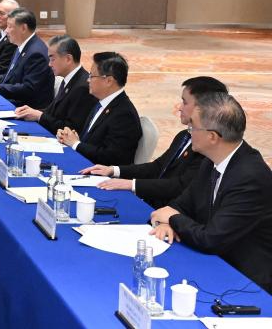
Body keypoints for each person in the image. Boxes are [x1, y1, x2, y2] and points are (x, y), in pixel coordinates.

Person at [150, 93, 272, 294]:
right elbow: (181, 204)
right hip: (215, 261)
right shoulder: (211, 161)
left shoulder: (250, 178)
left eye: (193, 128)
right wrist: (166, 221)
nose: (189, 132)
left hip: (247, 282)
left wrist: (172, 218)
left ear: (212, 137)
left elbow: (211, 239)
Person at [84, 77, 226, 208]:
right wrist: (114, 170)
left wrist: (131, 184)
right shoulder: (184, 136)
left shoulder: (207, 147)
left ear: (203, 108)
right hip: (152, 201)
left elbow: (179, 186)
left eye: (185, 102)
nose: (180, 107)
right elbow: (158, 167)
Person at [55, 52, 141, 166]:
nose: (88, 80)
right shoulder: (100, 103)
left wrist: (76, 144)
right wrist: (70, 137)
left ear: (109, 81)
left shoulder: (124, 114)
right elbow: (92, 140)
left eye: (92, 76)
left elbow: (111, 157)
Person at [0, 8, 53, 109]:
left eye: (10, 27)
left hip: (25, 108)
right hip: (14, 100)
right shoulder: (21, 46)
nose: (6, 30)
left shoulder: (36, 53)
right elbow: (11, 76)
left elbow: (29, 89)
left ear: (23, 28)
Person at [15, 35, 95, 135]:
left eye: (52, 59)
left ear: (68, 59)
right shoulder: (68, 79)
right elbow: (54, 112)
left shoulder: (83, 87)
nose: (49, 64)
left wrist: (39, 116)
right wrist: (31, 111)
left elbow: (71, 129)